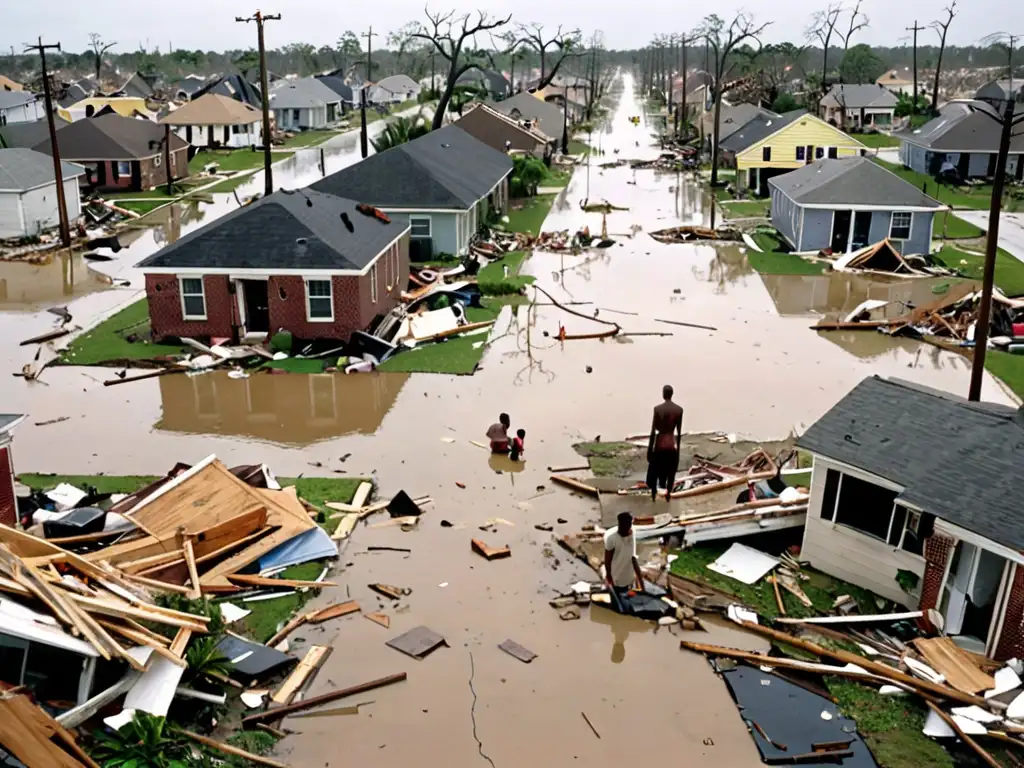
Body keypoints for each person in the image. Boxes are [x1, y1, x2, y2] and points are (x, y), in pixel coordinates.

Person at [647, 384, 684, 501]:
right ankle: (668, 496)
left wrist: (649, 449)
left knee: (654, 473)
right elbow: (678, 433)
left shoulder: (657, 409)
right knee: (670, 473)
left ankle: (653, 495)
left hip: (660, 445)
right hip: (671, 445)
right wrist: (678, 451)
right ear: (672, 394)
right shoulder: (679, 410)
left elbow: (653, 431)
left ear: (663, 394)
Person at [604, 512, 645, 607]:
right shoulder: (611, 538)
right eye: (626, 525)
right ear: (619, 524)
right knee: (619, 604)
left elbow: (633, 557)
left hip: (628, 578)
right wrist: (609, 576)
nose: (628, 528)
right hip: (616, 579)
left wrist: (641, 581)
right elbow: (607, 560)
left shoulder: (632, 533)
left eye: (629, 525)